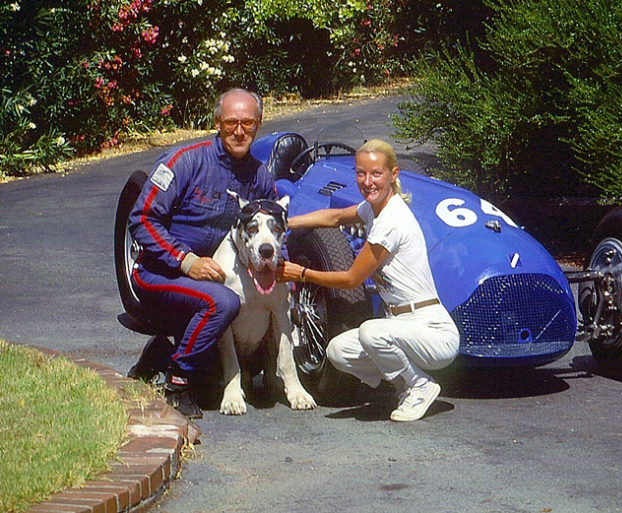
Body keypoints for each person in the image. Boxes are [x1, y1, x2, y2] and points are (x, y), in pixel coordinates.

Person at [278, 139, 459, 422]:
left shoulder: (391, 221)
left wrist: (301, 273)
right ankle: (403, 387)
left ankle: (420, 386)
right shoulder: (374, 209)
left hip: (432, 331)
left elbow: (351, 280)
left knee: (371, 332)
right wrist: (286, 222)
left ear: (393, 175)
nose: (367, 181)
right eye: (361, 173)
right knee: (338, 351)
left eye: (376, 174)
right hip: (400, 326)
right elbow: (335, 216)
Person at [126, 88, 277, 419]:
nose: (239, 131)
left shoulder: (260, 176)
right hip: (159, 272)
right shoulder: (185, 160)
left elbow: (272, 227)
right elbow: (141, 219)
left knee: (219, 375)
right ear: (217, 123)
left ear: (259, 124)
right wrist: (186, 260)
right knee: (223, 302)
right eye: (231, 123)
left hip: (211, 278)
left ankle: (161, 354)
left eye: (248, 123)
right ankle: (177, 386)